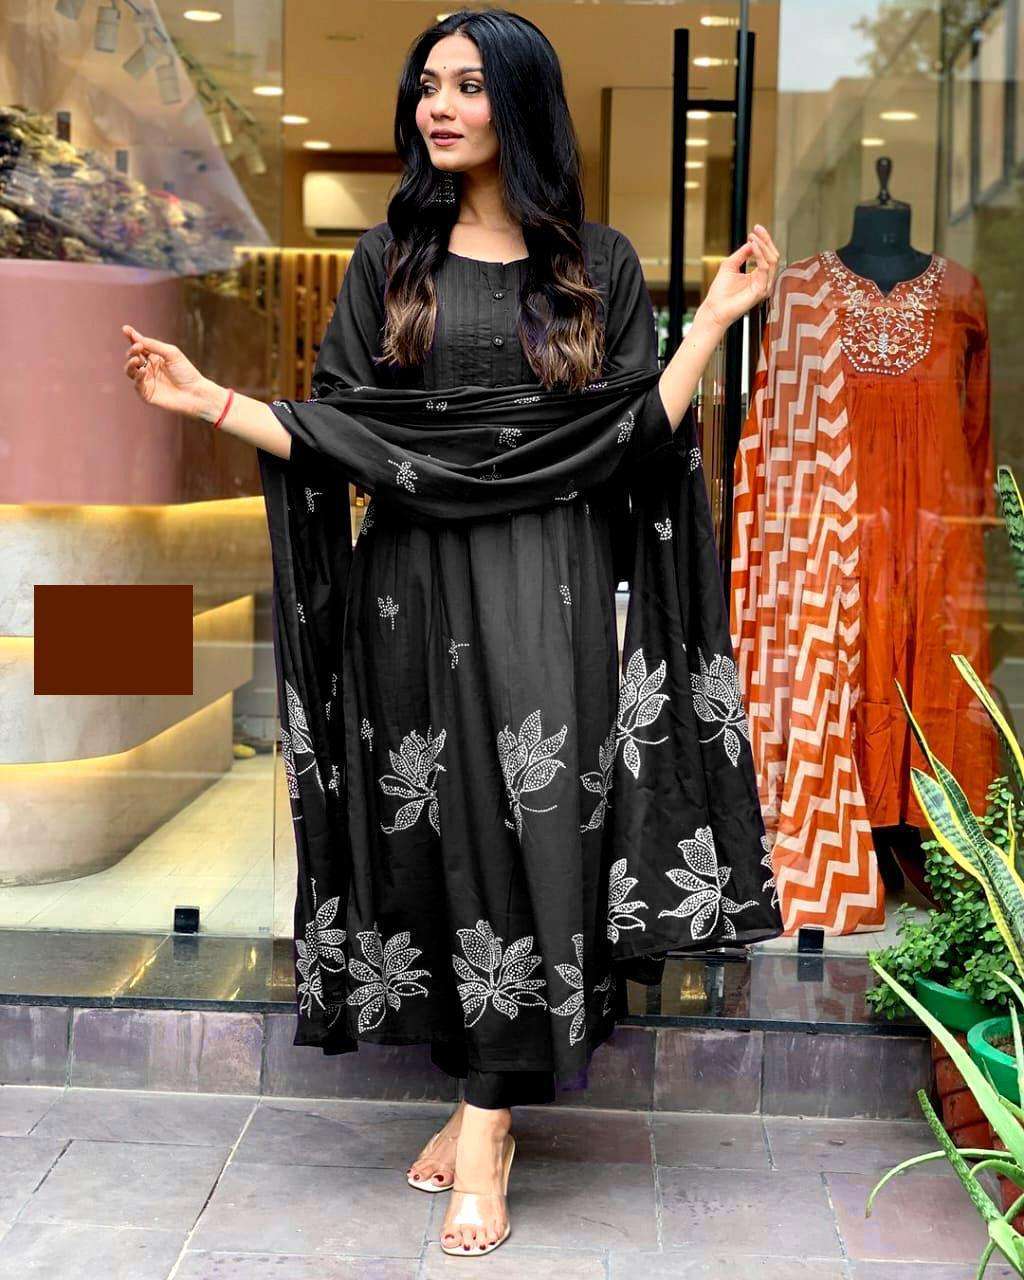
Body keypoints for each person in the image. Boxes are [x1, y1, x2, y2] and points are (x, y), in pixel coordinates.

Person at [120, 8, 779, 1258]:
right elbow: (341, 434)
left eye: (469, 85)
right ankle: (482, 1097)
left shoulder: (594, 264)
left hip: (547, 586)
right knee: (432, 840)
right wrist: (205, 400)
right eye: (429, 84)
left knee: (530, 835)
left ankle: (484, 1127)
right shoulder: (389, 261)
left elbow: (634, 437)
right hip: (409, 589)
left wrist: (711, 322)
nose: (440, 105)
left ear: (518, 102)